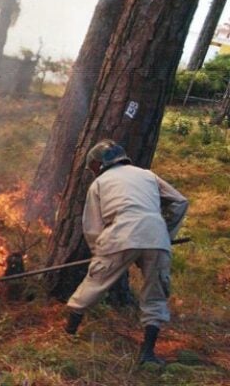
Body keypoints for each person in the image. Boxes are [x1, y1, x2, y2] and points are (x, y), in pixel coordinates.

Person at [63, 139, 188, 366]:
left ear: (100, 164)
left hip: (119, 235)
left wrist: (99, 255)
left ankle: (68, 333)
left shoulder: (99, 184)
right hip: (156, 238)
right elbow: (180, 202)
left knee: (93, 285)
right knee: (155, 295)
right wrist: (164, 234)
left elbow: (92, 227)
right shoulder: (147, 175)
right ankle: (148, 354)